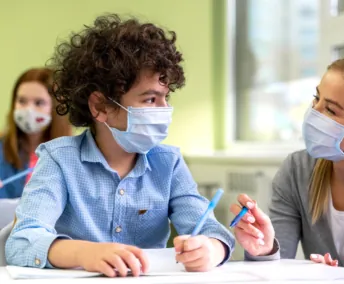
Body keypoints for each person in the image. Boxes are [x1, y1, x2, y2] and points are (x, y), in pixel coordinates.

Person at [5, 14, 234, 277]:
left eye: (166, 98)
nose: (165, 109)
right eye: (150, 99)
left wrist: (211, 249)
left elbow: (213, 234)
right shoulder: (59, 159)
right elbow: (22, 242)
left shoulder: (168, 163)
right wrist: (85, 253)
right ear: (100, 106)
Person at [230, 54, 344, 284]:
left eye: (330, 110)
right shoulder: (297, 170)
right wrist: (264, 251)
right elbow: (272, 275)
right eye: (316, 98)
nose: (312, 113)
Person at [0, 67, 72, 199]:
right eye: (22, 101)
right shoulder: (2, 147)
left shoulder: (71, 156)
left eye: (39, 103)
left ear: (56, 108)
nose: (29, 110)